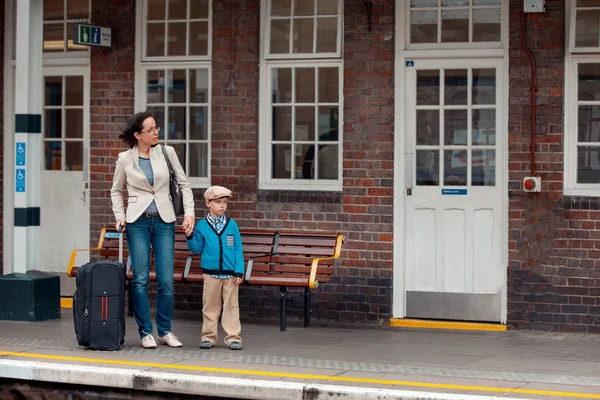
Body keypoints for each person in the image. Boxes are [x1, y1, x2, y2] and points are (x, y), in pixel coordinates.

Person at [110, 111, 195, 349]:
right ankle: (146, 331)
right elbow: (116, 190)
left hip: (164, 221)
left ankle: (165, 331)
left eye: (156, 128)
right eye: (150, 130)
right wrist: (120, 216)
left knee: (166, 280)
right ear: (138, 135)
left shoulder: (167, 153)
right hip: (137, 221)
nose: (156, 132)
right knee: (139, 279)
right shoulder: (125, 158)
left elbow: (184, 184)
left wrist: (189, 213)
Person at [186, 185, 244, 350]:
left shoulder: (232, 225)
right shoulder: (202, 226)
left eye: (224, 202)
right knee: (210, 306)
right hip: (210, 275)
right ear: (208, 203)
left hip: (231, 275)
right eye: (218, 202)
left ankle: (233, 337)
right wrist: (190, 235)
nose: (222, 206)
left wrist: (239, 270)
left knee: (231, 306)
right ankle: (208, 336)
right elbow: (196, 248)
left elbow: (238, 249)